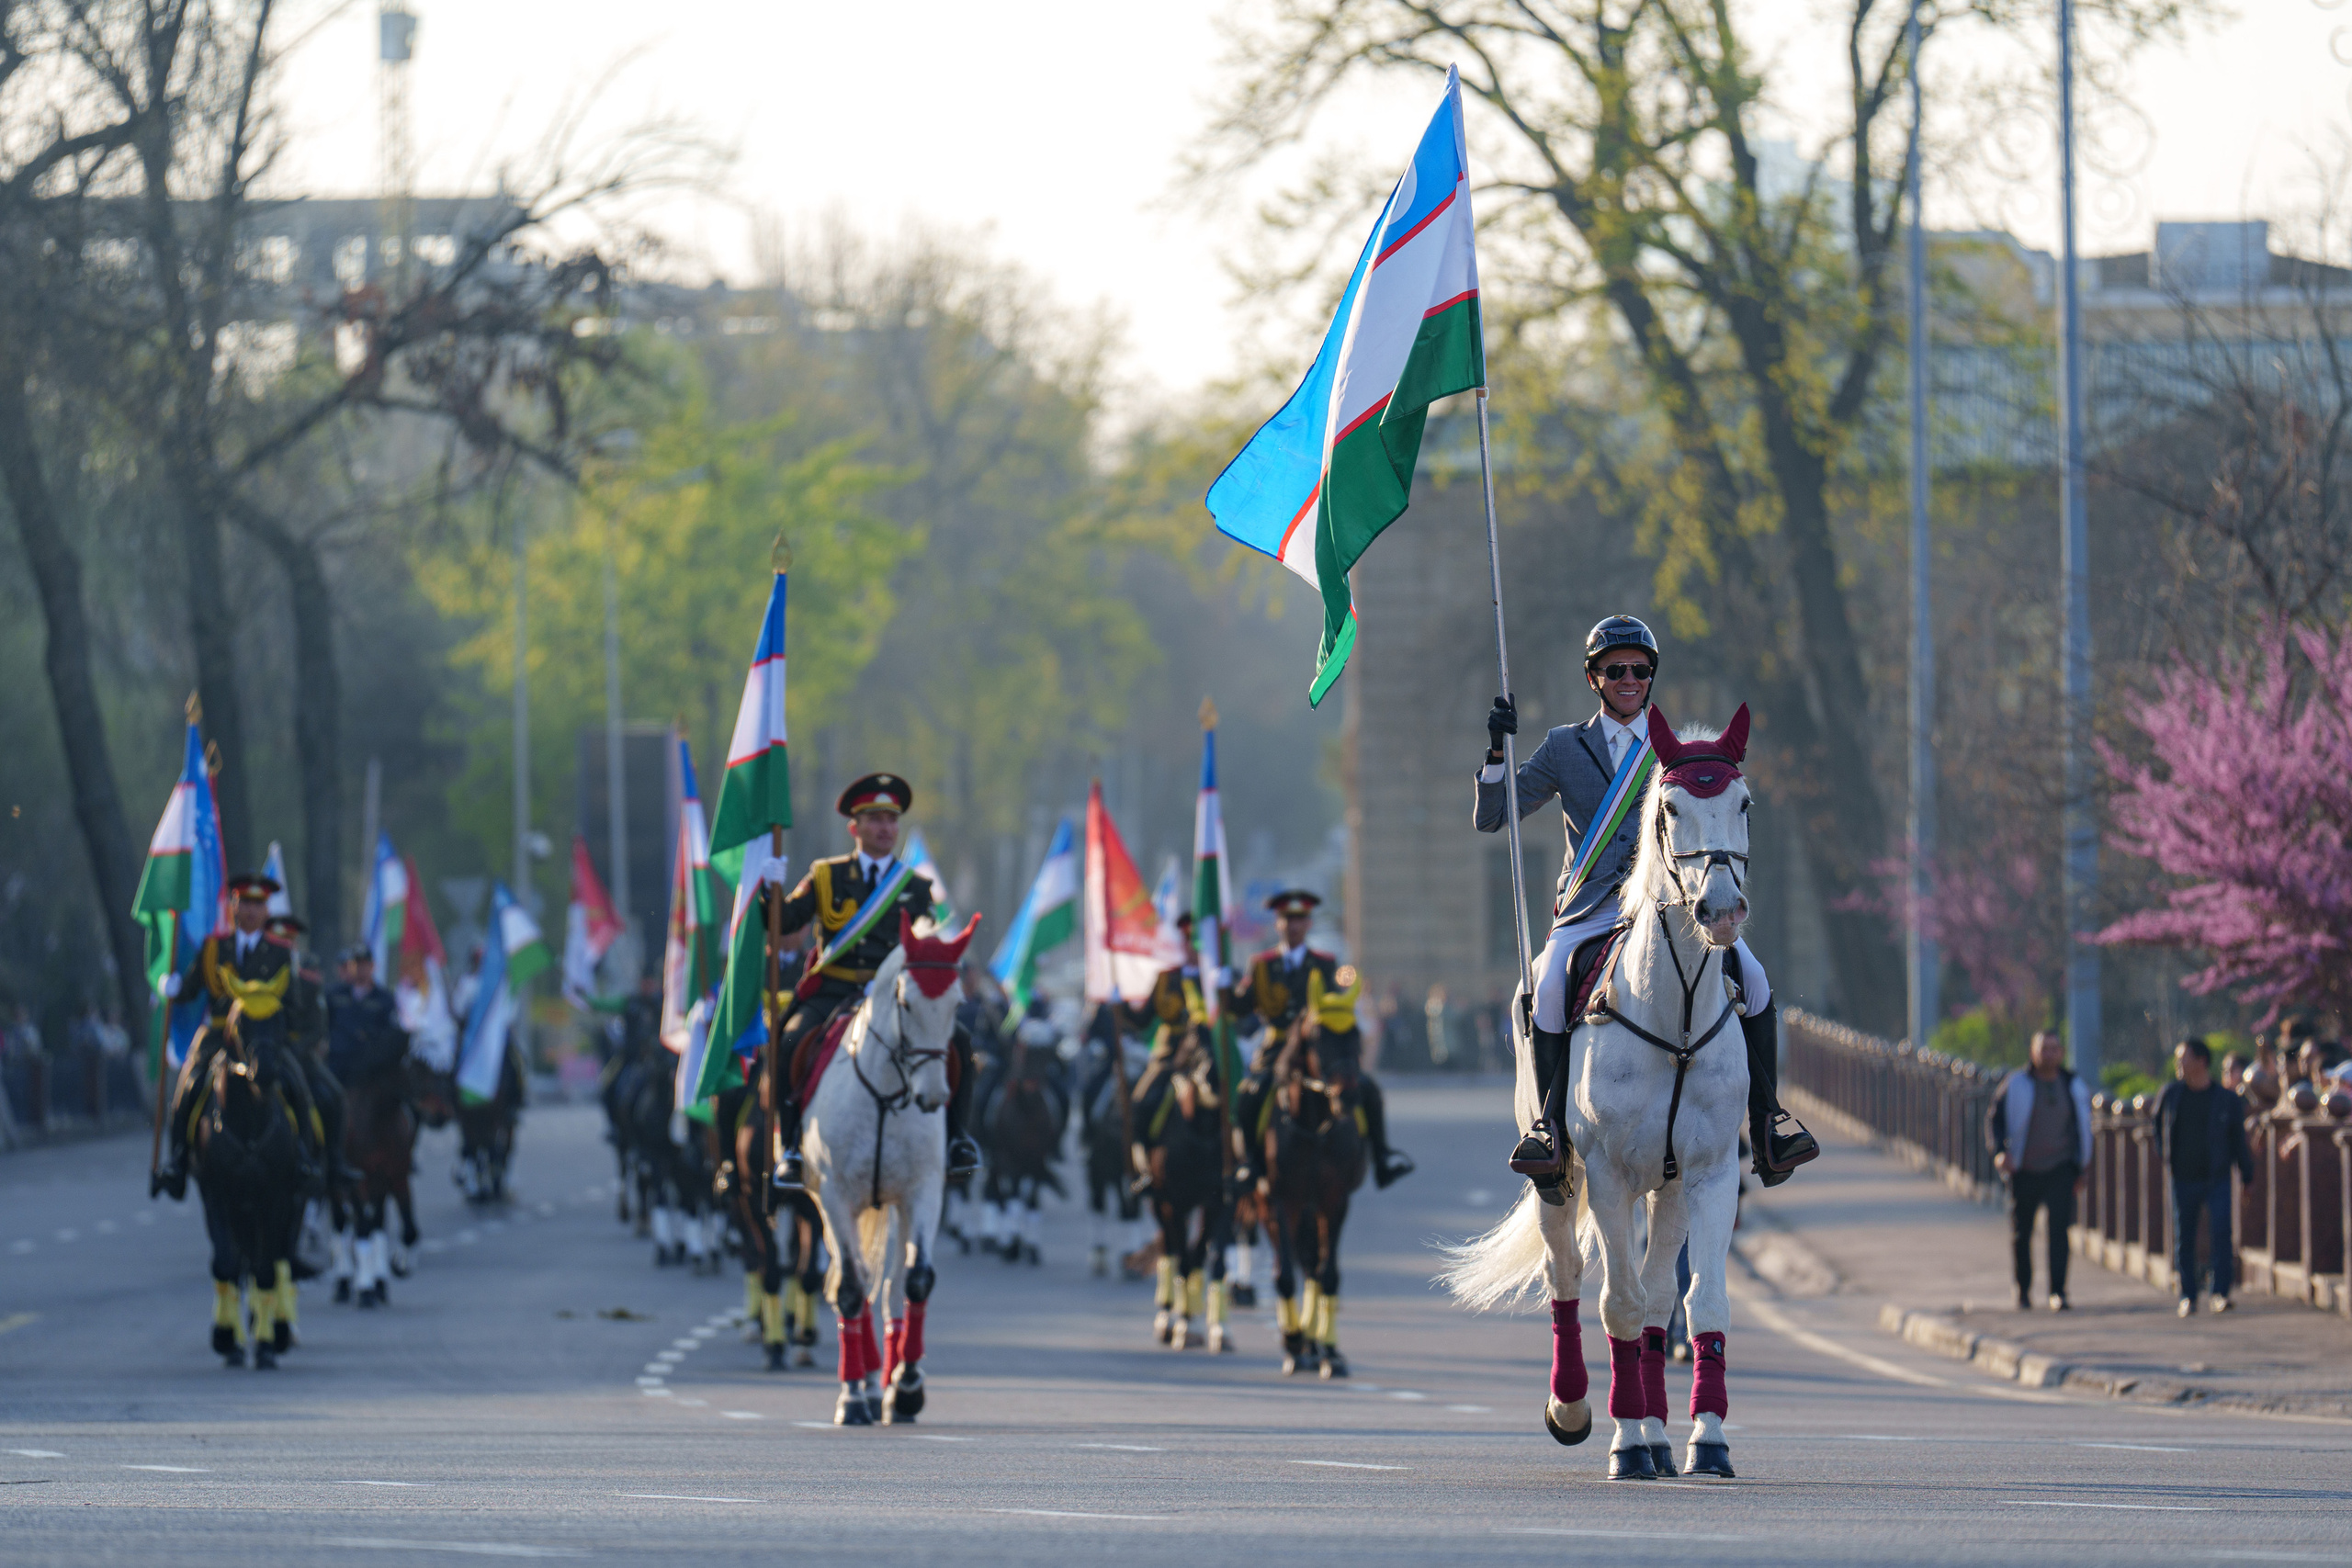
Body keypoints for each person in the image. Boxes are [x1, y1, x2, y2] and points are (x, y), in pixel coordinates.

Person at [1477, 614, 1815, 1187]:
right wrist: (1495, 751)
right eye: (1615, 670)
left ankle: (1767, 1126)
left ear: (1651, 676)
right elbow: (1493, 816)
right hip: (1590, 911)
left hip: (1669, 909)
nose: (1628, 679)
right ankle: (1548, 1130)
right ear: (1594, 678)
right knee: (1550, 990)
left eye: (1639, 669)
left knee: (1754, 983)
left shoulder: (1679, 754)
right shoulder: (1566, 746)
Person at [764, 773, 979, 1191]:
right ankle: (790, 1148)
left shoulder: (916, 887)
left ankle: (957, 1140)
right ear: (855, 828)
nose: (885, 828)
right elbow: (785, 923)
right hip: (835, 991)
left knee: (961, 1042)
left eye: (891, 820)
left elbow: (925, 949)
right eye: (875, 819)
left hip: (894, 998)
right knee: (789, 1040)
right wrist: (768, 889)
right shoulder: (825, 876)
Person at [1227, 890, 1413, 1189]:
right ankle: (1251, 1163)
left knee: (1366, 1090)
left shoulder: (1325, 963)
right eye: (1288, 919)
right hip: (1276, 1048)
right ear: (1278, 924)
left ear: (1308, 923)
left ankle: (1382, 1158)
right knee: (1250, 1094)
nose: (1294, 925)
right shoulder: (1260, 965)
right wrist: (1224, 988)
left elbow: (1333, 1006)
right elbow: (1240, 1009)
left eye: (1299, 919)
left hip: (1317, 1046)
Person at [153, 874, 324, 1199]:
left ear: (266, 911)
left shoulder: (280, 953)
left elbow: (293, 1004)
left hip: (264, 1037)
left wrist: (275, 1027)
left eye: (258, 905)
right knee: (187, 1089)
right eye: (245, 902)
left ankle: (302, 1159)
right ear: (232, 905)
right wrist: (173, 987)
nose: (251, 911)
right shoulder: (214, 948)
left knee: (297, 1084)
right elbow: (191, 990)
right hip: (220, 1033)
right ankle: (177, 1162)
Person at [1985, 1030, 2093, 1311]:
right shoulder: (2016, 1084)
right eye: (2043, 1048)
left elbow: (2083, 1128)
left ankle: (2058, 1291)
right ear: (2033, 1052)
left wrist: (2082, 1167)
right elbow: (1994, 1120)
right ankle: (2023, 1290)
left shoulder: (2073, 1085)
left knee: (2059, 1232)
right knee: (2022, 1233)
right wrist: (2000, 1152)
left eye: (2054, 1048)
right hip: (2025, 1169)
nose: (2049, 1054)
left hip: (2061, 1169)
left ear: (2062, 1053)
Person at [2155, 1037, 2254, 1317]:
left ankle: (2220, 1293)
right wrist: (2166, 1156)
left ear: (2201, 1061)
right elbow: (2157, 1127)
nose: (2178, 1064)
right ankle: (2188, 1295)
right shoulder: (2172, 1094)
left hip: (2217, 1177)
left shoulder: (2225, 1099)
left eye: (2183, 1058)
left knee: (2222, 1234)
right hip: (2183, 1178)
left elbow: (2238, 1140)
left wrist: (2247, 1175)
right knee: (2184, 1238)